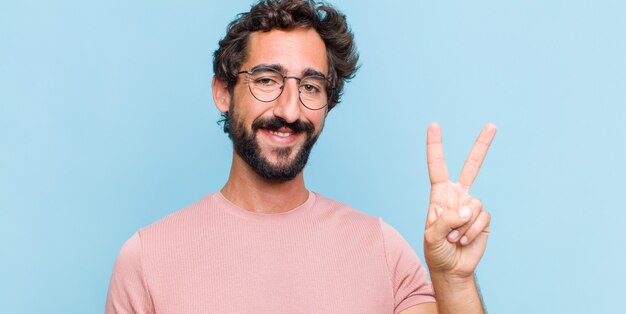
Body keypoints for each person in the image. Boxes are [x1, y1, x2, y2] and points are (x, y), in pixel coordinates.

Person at [105, 0, 497, 313]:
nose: (290, 110)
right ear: (224, 92)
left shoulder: (381, 249)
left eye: (311, 86)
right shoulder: (147, 259)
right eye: (266, 80)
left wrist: (453, 279)